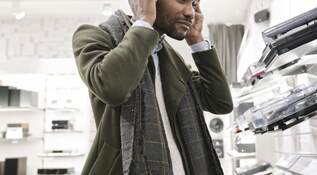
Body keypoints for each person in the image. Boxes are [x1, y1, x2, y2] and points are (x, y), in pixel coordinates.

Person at [72, 0, 233, 174]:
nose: (190, 13)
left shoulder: (173, 60)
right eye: (181, 1)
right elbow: (113, 89)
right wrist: (144, 20)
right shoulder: (93, 36)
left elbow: (220, 102)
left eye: (193, 4)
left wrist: (197, 41)